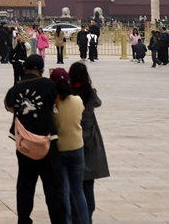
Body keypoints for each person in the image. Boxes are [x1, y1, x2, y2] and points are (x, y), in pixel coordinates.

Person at [4, 54, 65, 224]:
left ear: (24, 69)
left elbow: (8, 105)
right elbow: (57, 105)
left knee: (25, 185)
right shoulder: (48, 84)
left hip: (25, 145)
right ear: (42, 70)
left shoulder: (15, 88)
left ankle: (24, 219)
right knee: (53, 187)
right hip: (47, 141)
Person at [69, 61, 109, 222]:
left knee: (74, 187)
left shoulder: (69, 93)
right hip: (90, 144)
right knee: (87, 185)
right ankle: (87, 217)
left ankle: (77, 217)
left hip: (73, 142)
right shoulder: (89, 93)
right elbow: (98, 103)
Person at [49, 68, 88, 224]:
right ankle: (85, 221)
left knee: (63, 191)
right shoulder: (78, 100)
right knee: (78, 190)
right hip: (77, 147)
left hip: (60, 148)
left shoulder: (53, 103)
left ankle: (66, 221)